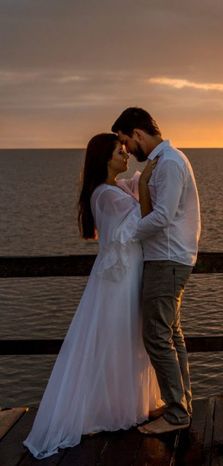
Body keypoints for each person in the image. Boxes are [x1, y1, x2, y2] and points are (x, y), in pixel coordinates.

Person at [24, 133, 163, 459]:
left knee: (127, 337)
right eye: (120, 151)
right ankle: (108, 409)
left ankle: (126, 405)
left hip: (126, 272)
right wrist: (145, 187)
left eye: (126, 150)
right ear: (105, 158)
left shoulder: (113, 189)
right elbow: (138, 222)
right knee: (114, 337)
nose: (126, 155)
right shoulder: (104, 194)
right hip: (118, 277)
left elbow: (133, 192)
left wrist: (144, 180)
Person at [112, 108, 201, 435]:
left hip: (168, 259)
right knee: (171, 334)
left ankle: (177, 413)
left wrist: (125, 235)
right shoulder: (163, 163)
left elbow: (163, 216)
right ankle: (180, 404)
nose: (126, 149)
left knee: (156, 335)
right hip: (167, 258)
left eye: (125, 141)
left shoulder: (171, 164)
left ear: (137, 133)